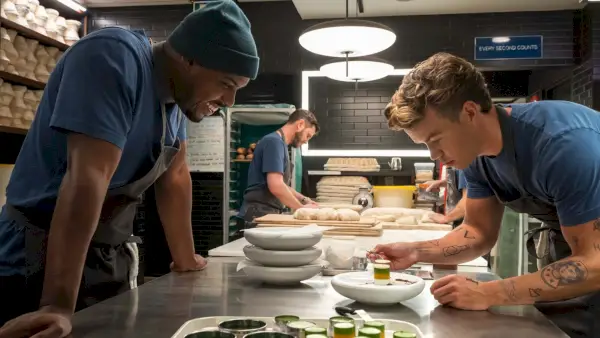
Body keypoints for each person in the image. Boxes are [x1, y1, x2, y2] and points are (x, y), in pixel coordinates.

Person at [0, 1, 259, 337]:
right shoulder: (114, 56)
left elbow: (175, 176)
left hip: (106, 258)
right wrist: (57, 304)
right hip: (38, 259)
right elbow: (87, 176)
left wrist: (184, 258)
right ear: (189, 58)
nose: (229, 102)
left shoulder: (177, 100)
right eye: (227, 84)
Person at [373, 52, 600, 337]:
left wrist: (492, 292)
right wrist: (417, 251)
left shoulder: (563, 144)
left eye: (436, 139)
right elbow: (478, 232)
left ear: (469, 112)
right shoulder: (476, 156)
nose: (435, 156)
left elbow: (594, 263)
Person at [238, 109, 319, 225]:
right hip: (257, 212)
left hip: (259, 211)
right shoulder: (274, 142)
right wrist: (302, 209)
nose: (306, 141)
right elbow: (276, 186)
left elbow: (281, 184)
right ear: (300, 124)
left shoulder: (279, 144)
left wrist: (304, 199)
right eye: (308, 135)